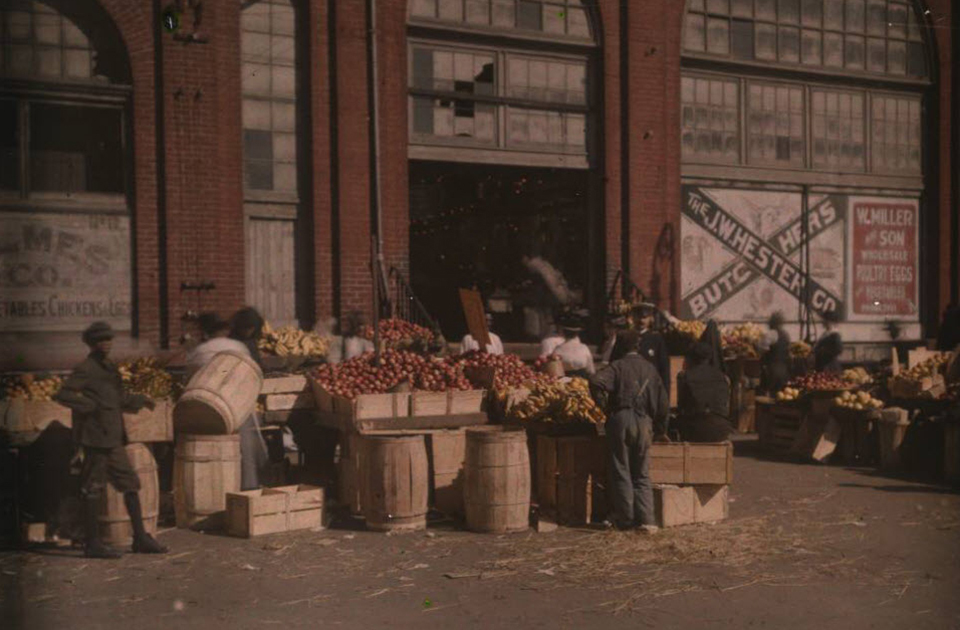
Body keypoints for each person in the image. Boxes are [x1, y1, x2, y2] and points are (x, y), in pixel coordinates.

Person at [54, 322, 168, 558]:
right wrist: (89, 406)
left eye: (108, 340)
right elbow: (63, 394)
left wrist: (140, 400)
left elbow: (117, 398)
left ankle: (140, 538)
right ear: (92, 344)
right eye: (100, 341)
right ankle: (93, 544)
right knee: (93, 488)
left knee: (130, 484)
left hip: (113, 438)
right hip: (96, 440)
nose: (106, 344)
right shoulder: (86, 368)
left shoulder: (109, 368)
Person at [590, 330, 669, 532]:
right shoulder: (651, 369)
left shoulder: (617, 366)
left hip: (621, 420)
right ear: (638, 346)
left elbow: (595, 381)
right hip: (645, 422)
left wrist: (604, 406)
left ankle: (626, 520)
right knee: (642, 473)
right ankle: (647, 520)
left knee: (621, 471)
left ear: (621, 347)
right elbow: (663, 404)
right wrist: (660, 428)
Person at [226, 307, 269, 490]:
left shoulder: (250, 343)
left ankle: (252, 482)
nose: (248, 331)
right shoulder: (234, 343)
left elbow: (257, 367)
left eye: (251, 328)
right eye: (246, 328)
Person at [677, 342, 732, 443]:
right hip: (721, 429)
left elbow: (681, 406)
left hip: (694, 428)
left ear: (691, 359)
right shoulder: (723, 377)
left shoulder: (684, 376)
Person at [185, 313, 250, 378]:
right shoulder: (240, 346)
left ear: (204, 332)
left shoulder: (200, 350)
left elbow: (191, 377)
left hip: (209, 385)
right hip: (238, 384)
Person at [761, 311, 791, 395]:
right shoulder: (786, 334)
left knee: (769, 392)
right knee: (782, 393)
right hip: (784, 369)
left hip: (772, 369)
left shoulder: (771, 334)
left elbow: (762, 349)